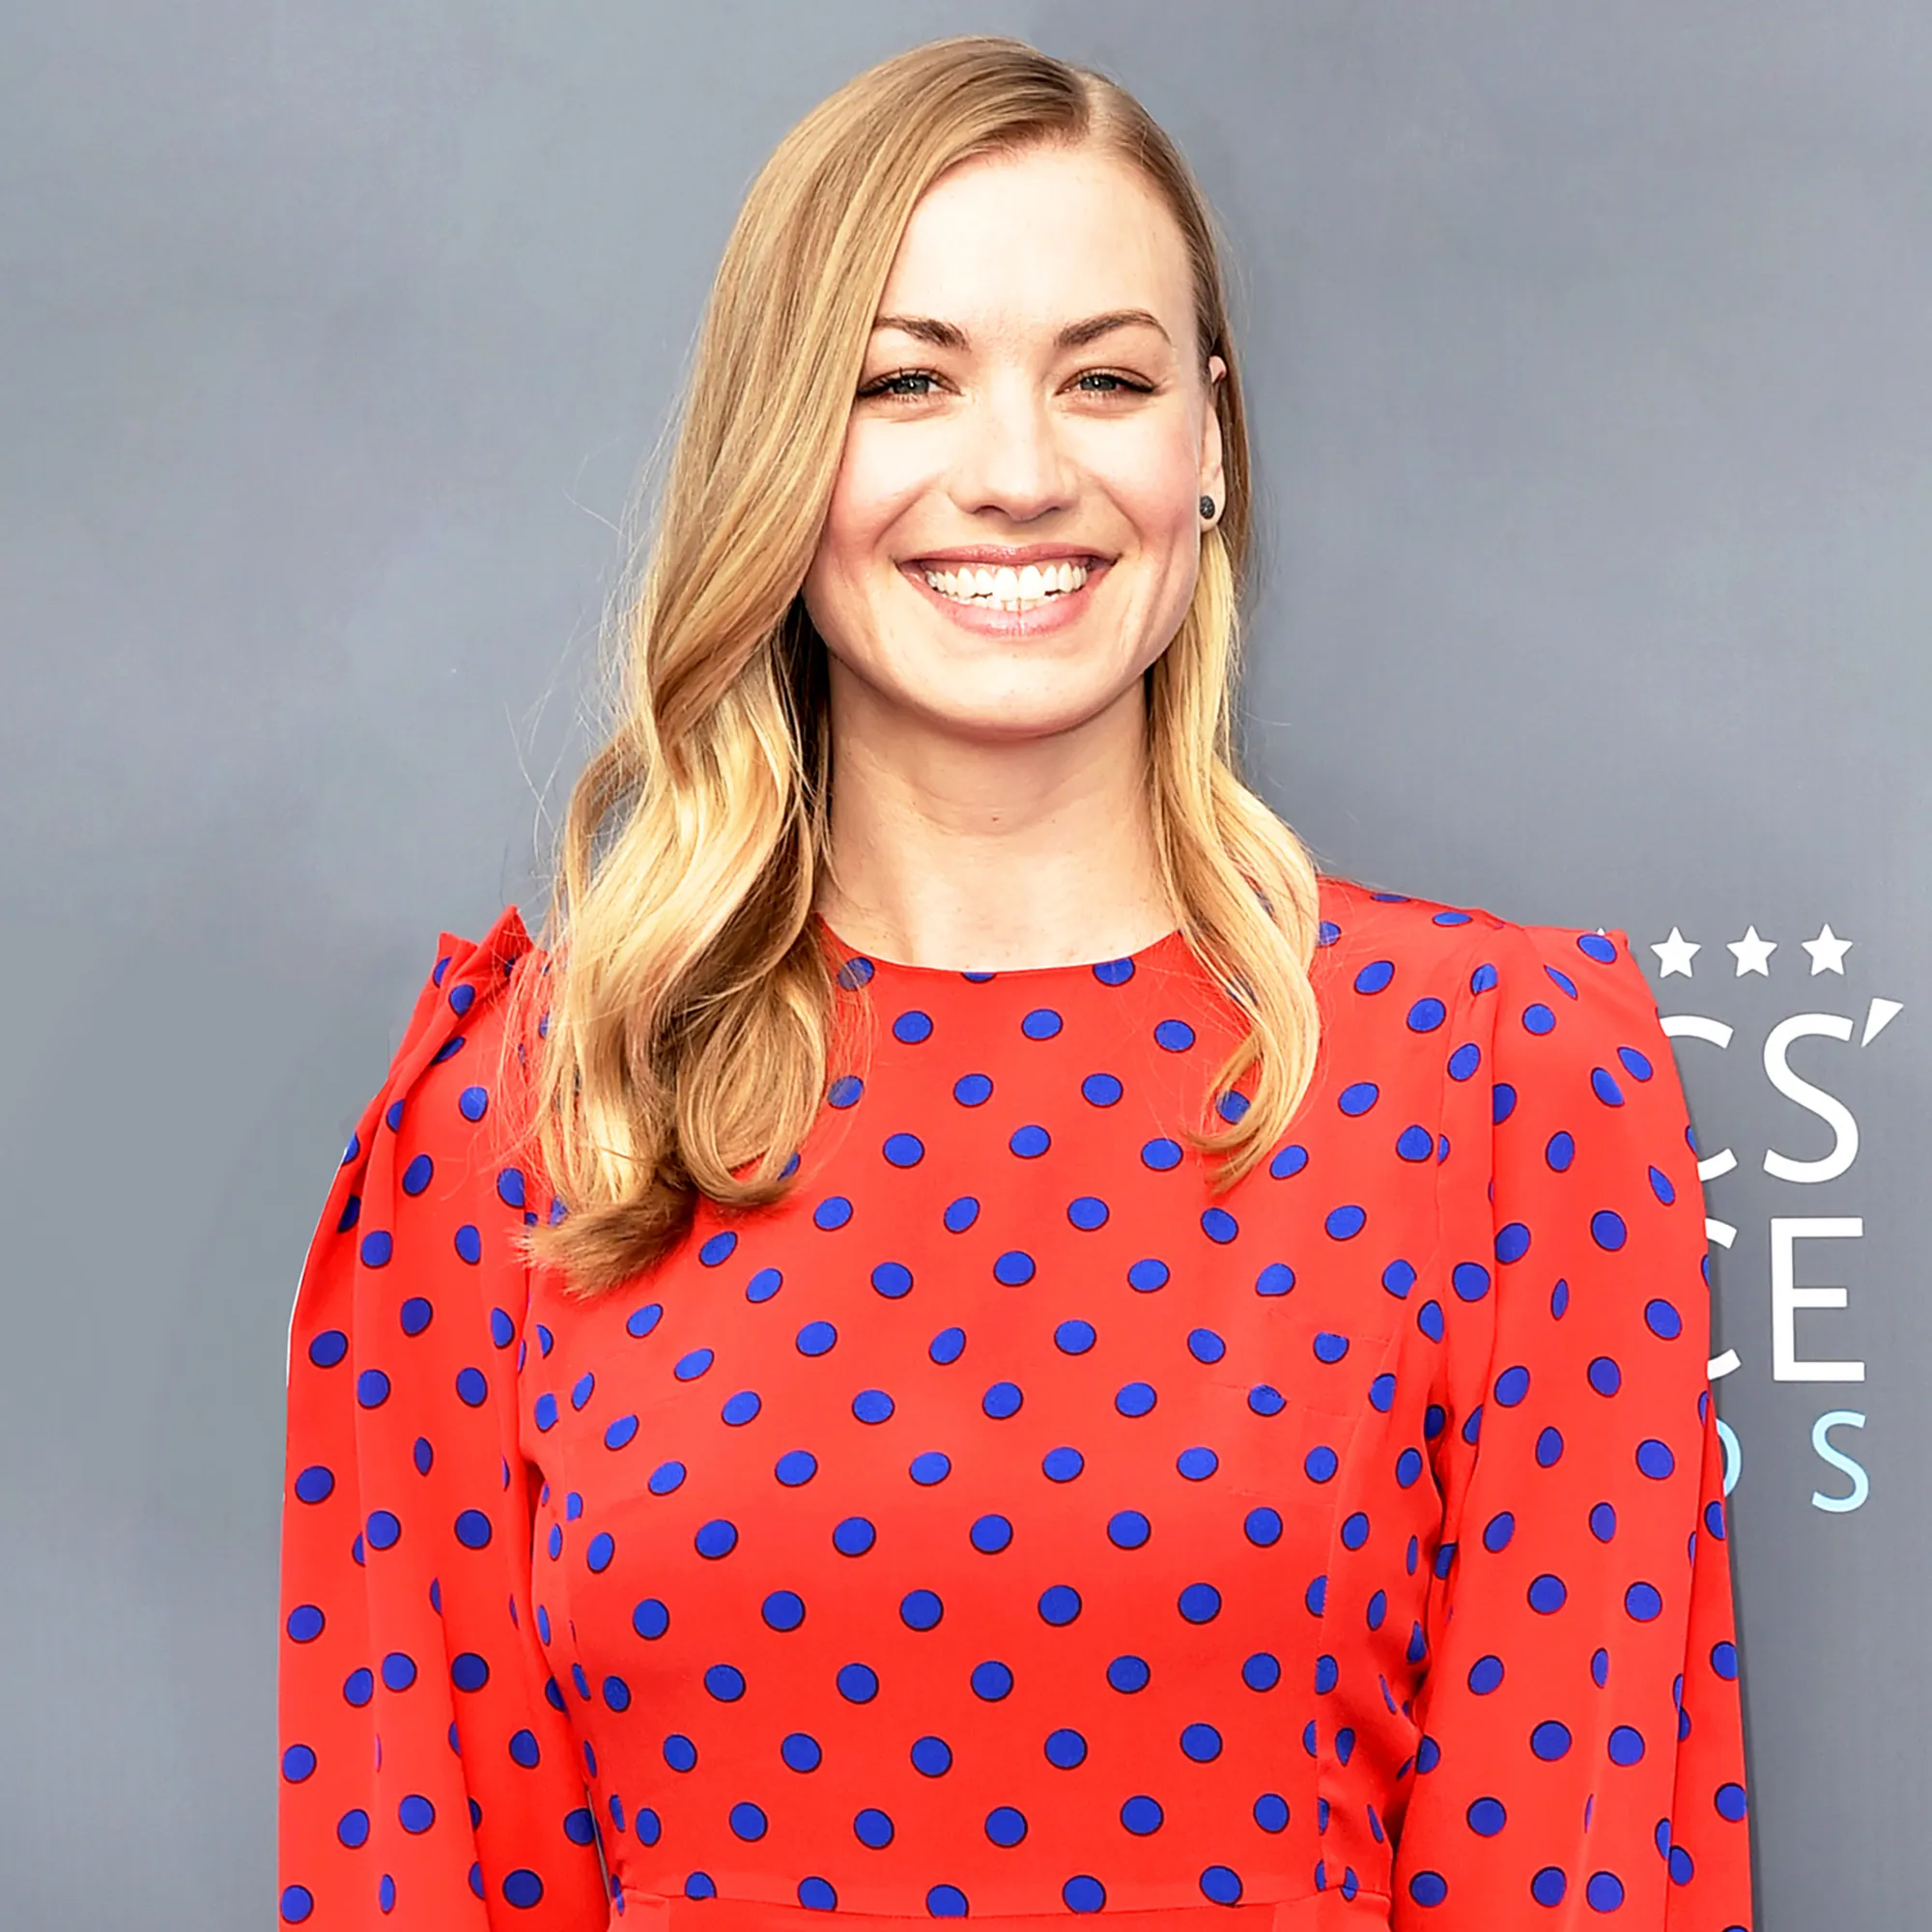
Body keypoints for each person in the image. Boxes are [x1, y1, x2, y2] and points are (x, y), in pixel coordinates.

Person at [276, 34, 1753, 1932]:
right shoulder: (533, 1106)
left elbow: (1570, 1880)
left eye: (1106, 378)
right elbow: (431, 1873)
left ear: (1205, 442)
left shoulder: (1511, 1079)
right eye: (906, 382)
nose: (1017, 473)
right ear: (780, 450)